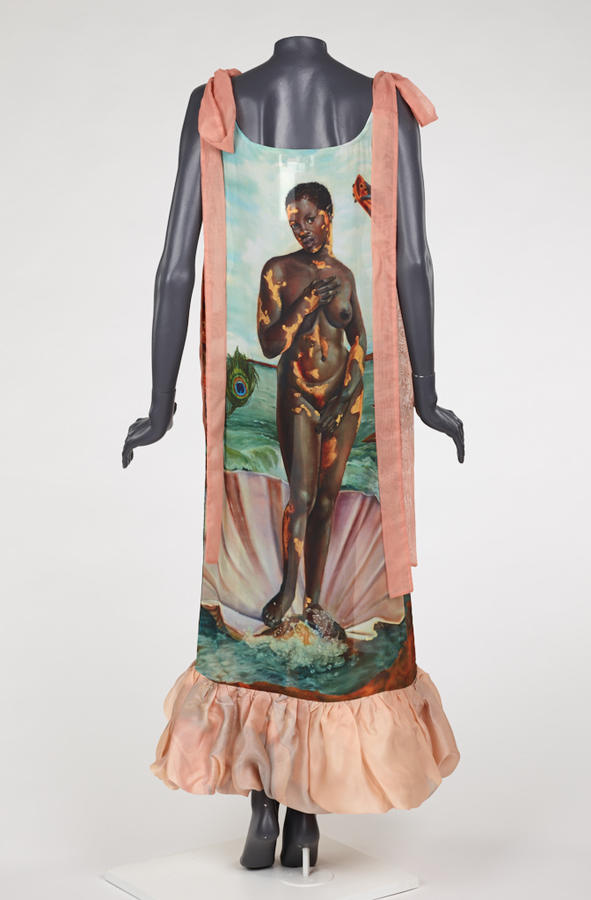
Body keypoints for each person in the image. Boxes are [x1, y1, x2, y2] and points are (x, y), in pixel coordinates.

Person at [257, 181, 366, 639]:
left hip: (343, 398)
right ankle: (287, 592)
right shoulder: (278, 271)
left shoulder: (345, 275)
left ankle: (314, 604)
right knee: (300, 498)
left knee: (325, 501)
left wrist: (352, 386)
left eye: (309, 218)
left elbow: (358, 337)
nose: (302, 229)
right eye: (294, 223)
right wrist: (305, 303)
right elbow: (269, 344)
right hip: (299, 394)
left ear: (328, 215)